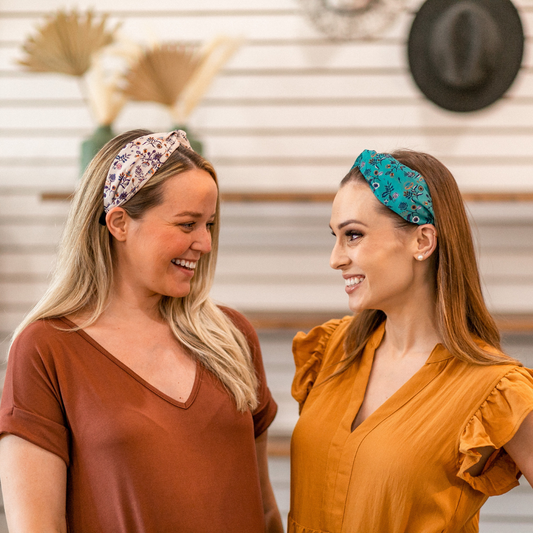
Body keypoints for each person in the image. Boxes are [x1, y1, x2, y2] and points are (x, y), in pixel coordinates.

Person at [0, 130, 284, 533]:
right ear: (118, 222)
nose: (204, 243)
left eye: (209, 224)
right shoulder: (47, 349)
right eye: (187, 224)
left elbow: (266, 510)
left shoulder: (232, 336)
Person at [289, 149, 533, 533]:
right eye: (335, 237)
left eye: (353, 235)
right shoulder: (332, 350)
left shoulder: (492, 389)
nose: (335, 258)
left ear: (422, 240)